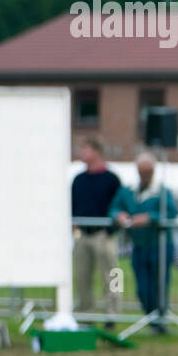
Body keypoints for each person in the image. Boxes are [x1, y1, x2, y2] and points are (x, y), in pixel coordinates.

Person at [112, 152, 178, 334]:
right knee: (142, 287)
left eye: (148, 171)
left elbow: (172, 213)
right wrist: (119, 215)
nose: (145, 175)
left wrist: (150, 217)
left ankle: (160, 321)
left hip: (160, 246)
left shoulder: (162, 191)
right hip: (139, 246)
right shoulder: (128, 191)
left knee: (160, 284)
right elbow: (114, 207)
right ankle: (151, 317)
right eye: (142, 172)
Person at [70, 137, 123, 324]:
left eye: (84, 150)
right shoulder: (78, 180)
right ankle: (85, 313)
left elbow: (120, 205)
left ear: (96, 152)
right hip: (83, 235)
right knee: (82, 276)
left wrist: (111, 230)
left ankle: (113, 312)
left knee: (113, 275)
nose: (81, 154)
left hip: (104, 235)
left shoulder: (111, 179)